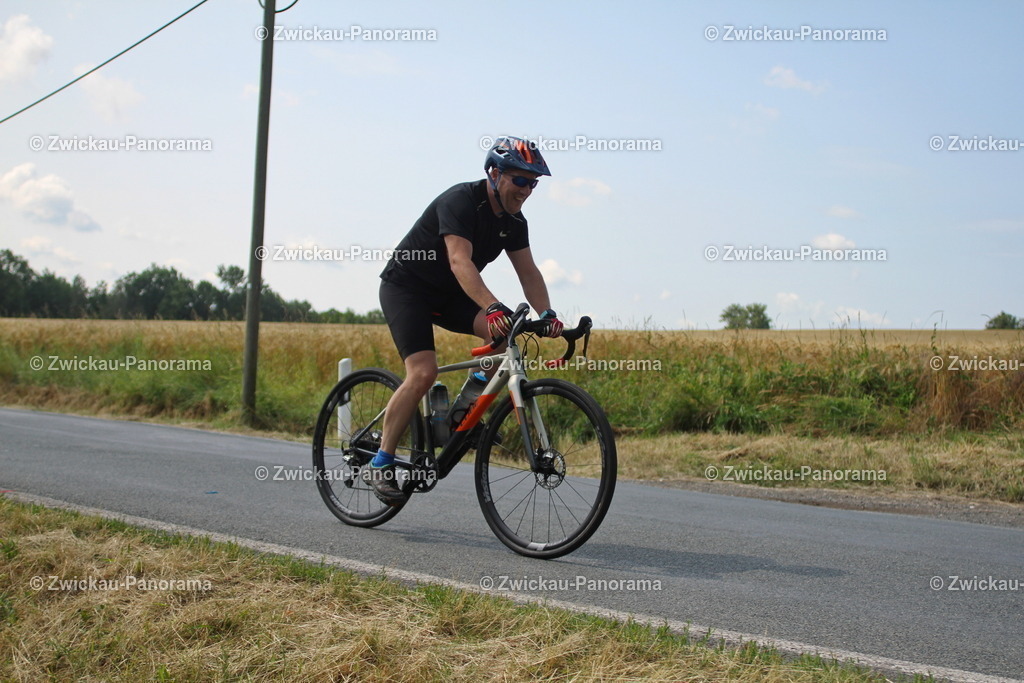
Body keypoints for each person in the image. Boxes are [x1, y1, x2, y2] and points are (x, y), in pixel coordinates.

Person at [365, 136, 564, 504]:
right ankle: (381, 462)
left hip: (448, 295)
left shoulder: (514, 222)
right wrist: (492, 304)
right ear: (494, 173)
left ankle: (463, 411)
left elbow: (529, 272)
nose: (526, 190)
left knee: (505, 336)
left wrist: (547, 314)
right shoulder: (461, 201)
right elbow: (460, 261)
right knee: (423, 373)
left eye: (533, 183)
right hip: (407, 287)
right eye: (520, 180)